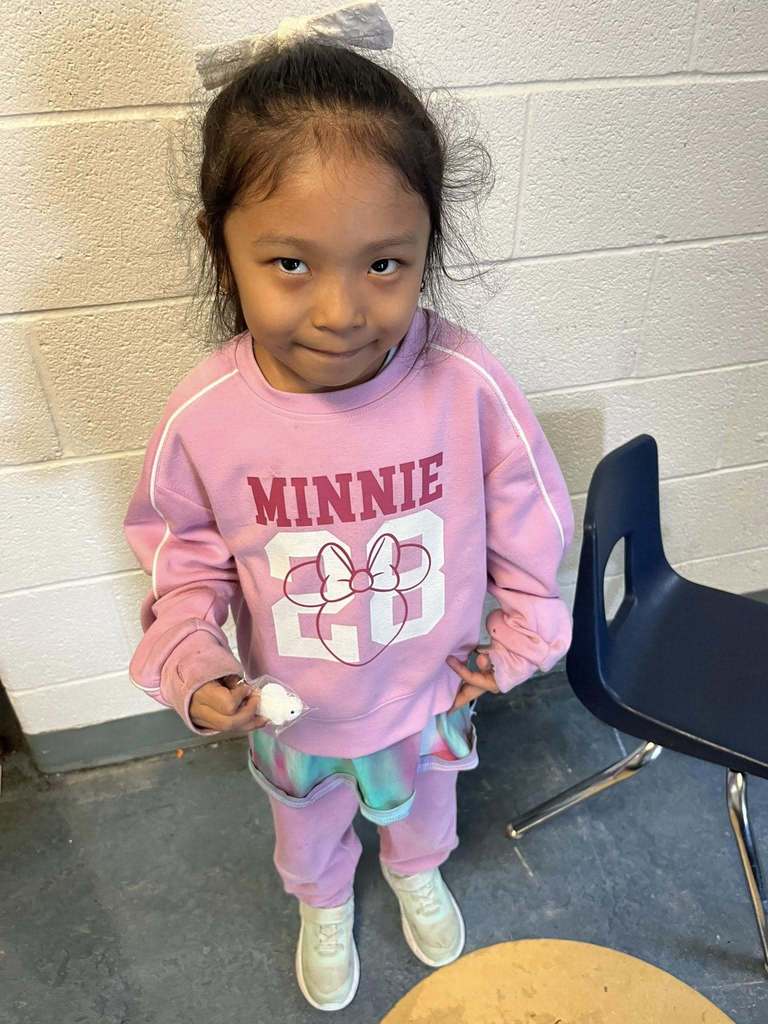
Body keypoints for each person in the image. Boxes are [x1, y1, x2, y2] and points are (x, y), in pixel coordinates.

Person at [123, 5, 575, 1013]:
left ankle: (417, 869)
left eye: (385, 263)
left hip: (430, 685)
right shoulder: (205, 415)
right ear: (221, 244)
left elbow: (530, 508)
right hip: (298, 703)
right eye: (292, 263)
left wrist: (524, 627)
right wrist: (192, 660)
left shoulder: (463, 381)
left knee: (426, 806)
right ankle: (322, 901)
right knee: (309, 821)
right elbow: (179, 552)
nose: (341, 310)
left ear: (427, 246)